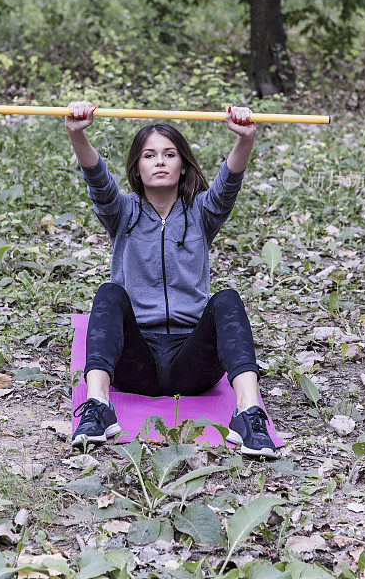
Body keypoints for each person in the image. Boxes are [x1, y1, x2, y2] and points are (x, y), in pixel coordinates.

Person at [65, 101, 277, 458]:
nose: (160, 161)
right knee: (109, 293)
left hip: (191, 364)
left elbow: (228, 185)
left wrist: (245, 139)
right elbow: (98, 181)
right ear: (137, 167)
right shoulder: (123, 212)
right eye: (149, 155)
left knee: (226, 299)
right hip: (135, 362)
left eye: (169, 154)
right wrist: (78, 133)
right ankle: (98, 406)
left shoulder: (202, 212)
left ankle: (248, 412)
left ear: (182, 167)